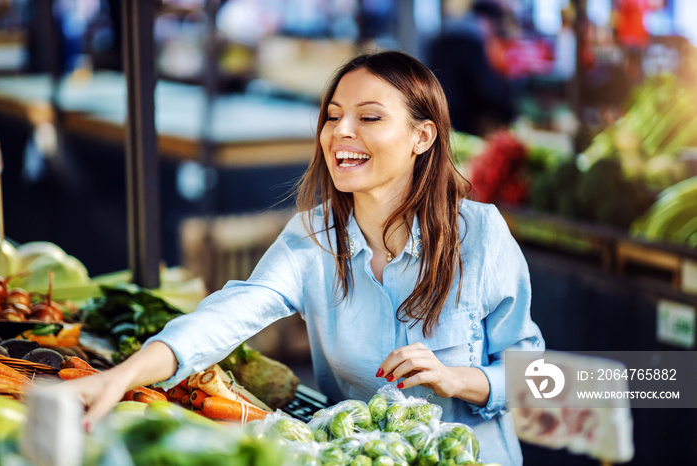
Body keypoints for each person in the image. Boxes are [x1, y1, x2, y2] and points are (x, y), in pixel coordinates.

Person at [62, 50, 544, 465]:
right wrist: (121, 376)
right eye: (333, 116)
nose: (341, 132)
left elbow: (538, 379)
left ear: (423, 137)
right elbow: (227, 315)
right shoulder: (312, 238)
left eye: (369, 117)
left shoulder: (479, 234)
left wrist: (456, 379)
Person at [427, 0, 517, 136]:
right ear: (487, 20)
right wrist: (509, 110)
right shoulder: (471, 42)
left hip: (436, 111)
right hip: (461, 120)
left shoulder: (442, 37)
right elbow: (485, 88)